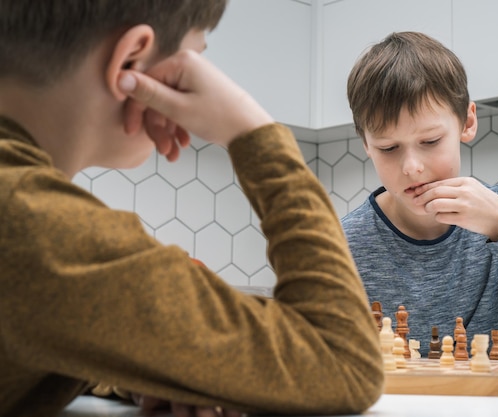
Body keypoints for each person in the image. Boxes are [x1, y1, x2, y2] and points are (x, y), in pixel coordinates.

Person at [0, 2, 384, 416]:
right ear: (132, 60)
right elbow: (344, 361)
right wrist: (249, 129)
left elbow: (43, 327)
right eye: (195, 60)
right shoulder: (36, 226)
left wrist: (151, 365)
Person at [341, 31, 498, 368]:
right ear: (367, 145)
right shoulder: (343, 243)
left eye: (430, 141)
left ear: (468, 122)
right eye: (389, 148)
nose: (412, 168)